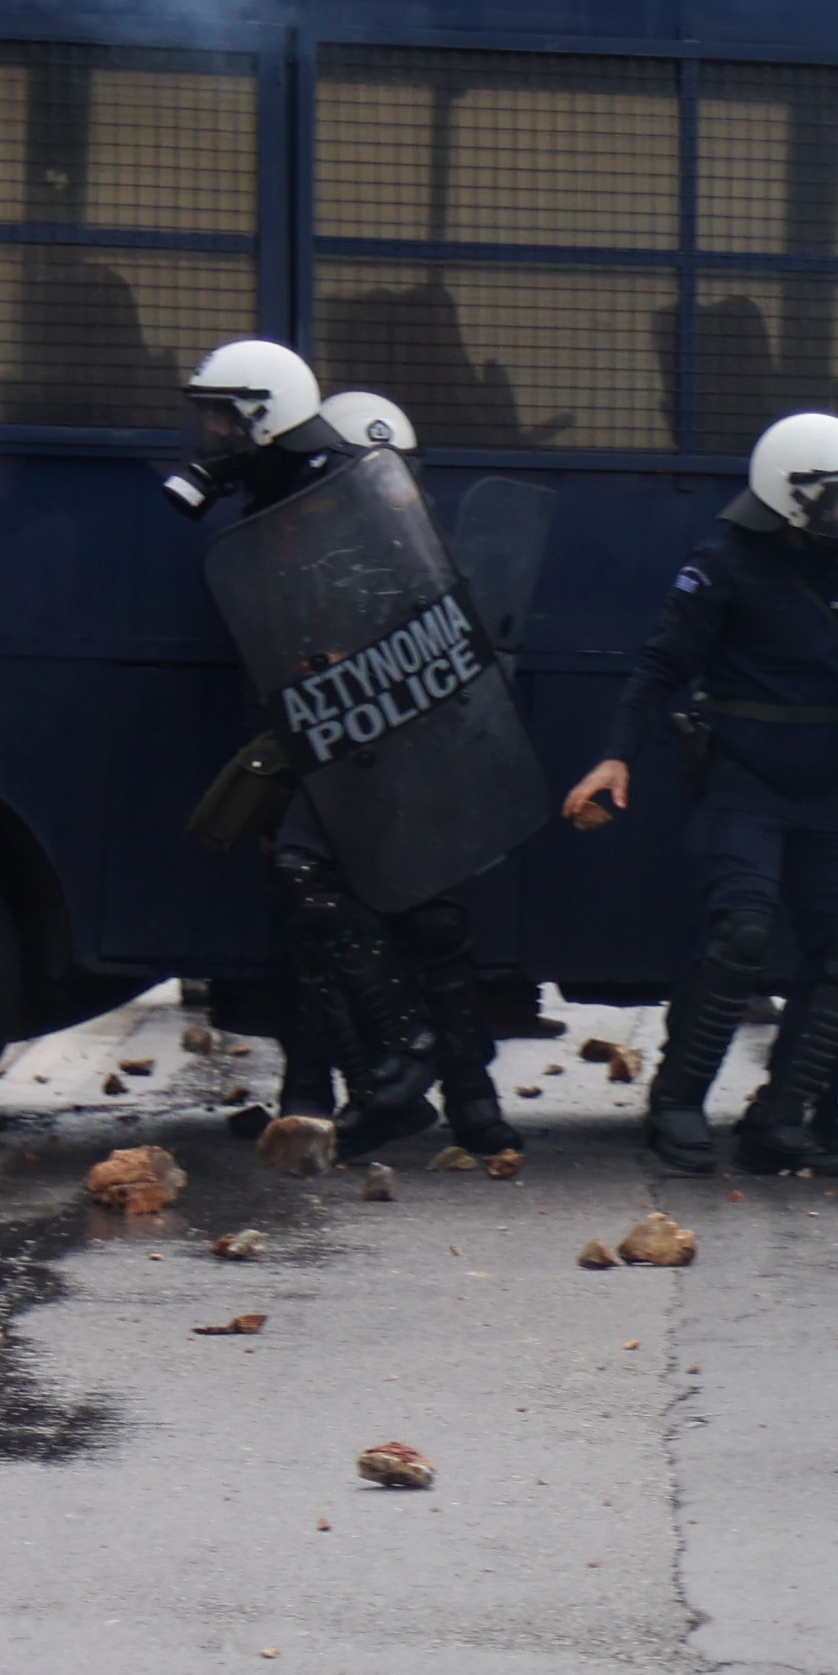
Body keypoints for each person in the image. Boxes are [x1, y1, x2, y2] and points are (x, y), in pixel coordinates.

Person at [177, 337, 517, 1161]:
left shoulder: (359, 514)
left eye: (223, 416)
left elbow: (443, 637)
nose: (211, 433)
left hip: (397, 747)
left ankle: (430, 1083)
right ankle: (416, 1096)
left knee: (411, 918)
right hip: (334, 745)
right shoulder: (279, 505)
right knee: (366, 923)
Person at [574, 411, 838, 1176]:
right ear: (793, 499)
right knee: (743, 933)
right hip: (745, 782)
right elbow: (661, 667)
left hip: (827, 784)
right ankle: (679, 1101)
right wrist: (617, 757)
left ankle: (783, 1116)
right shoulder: (723, 564)